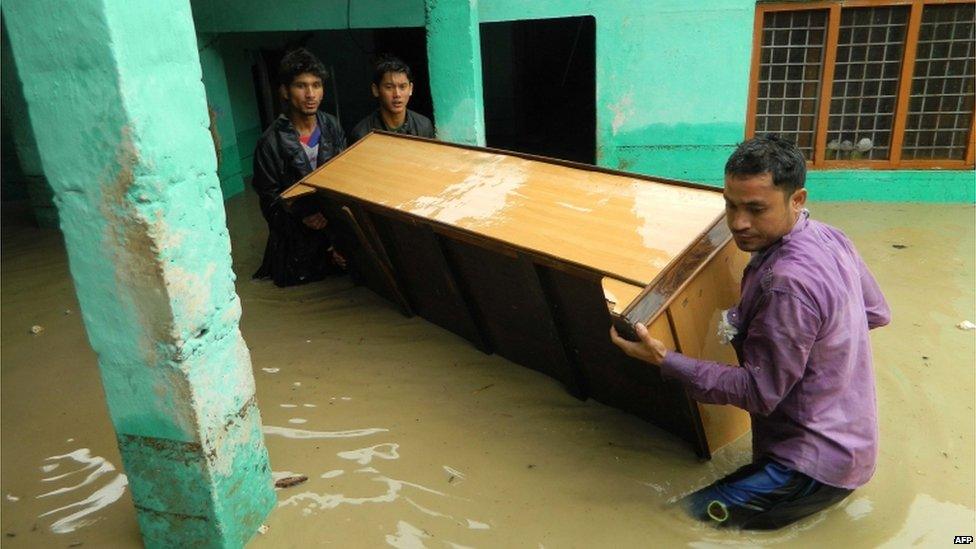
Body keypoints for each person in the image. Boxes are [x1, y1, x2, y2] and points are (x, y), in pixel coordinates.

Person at [610, 135, 890, 530]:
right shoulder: (829, 236)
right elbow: (876, 313)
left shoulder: (786, 285)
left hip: (808, 467)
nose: (738, 223)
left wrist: (666, 360)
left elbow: (760, 392)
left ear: (797, 199)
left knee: (671, 526)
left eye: (756, 209)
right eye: (730, 204)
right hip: (853, 446)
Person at [252, 48, 348, 287]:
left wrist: (339, 232)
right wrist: (302, 215)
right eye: (301, 86)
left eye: (316, 85)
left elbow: (345, 179)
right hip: (295, 248)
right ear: (285, 91)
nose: (310, 94)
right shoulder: (269, 142)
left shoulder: (332, 127)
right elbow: (268, 201)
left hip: (333, 238)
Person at [348, 56, 434, 143]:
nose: (397, 94)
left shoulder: (423, 126)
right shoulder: (362, 133)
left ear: (411, 89)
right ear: (376, 90)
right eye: (389, 87)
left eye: (402, 87)